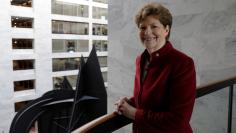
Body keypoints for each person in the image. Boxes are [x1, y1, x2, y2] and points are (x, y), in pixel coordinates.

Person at [115, 2, 196, 133]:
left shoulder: (183, 63)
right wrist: (128, 103)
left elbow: (178, 120)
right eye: (142, 27)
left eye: (154, 26)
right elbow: (149, 98)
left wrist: (134, 113)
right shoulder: (140, 60)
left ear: (166, 29)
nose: (147, 32)